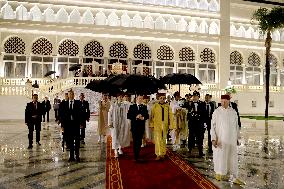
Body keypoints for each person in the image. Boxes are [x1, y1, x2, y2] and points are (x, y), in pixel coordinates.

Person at [211, 95, 245, 185]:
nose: (224, 103)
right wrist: (213, 139)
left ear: (229, 101)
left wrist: (237, 138)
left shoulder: (233, 112)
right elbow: (212, 126)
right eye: (222, 101)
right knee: (220, 157)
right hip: (221, 140)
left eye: (225, 101)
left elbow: (236, 126)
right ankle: (218, 172)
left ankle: (234, 177)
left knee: (232, 159)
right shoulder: (216, 112)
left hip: (231, 140)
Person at [150, 92, 175, 160]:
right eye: (161, 98)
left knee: (164, 139)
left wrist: (171, 125)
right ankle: (158, 153)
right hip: (157, 124)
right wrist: (151, 125)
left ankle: (163, 153)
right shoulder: (155, 106)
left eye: (163, 98)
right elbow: (152, 116)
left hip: (165, 125)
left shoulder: (167, 106)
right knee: (158, 139)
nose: (162, 99)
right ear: (158, 98)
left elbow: (170, 116)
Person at [59, 90, 82, 162]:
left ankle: (77, 156)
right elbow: (62, 116)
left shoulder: (78, 103)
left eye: (72, 94)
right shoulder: (64, 104)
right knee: (70, 141)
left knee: (77, 141)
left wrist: (81, 123)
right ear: (68, 95)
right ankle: (71, 156)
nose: (71, 96)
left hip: (76, 125)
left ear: (74, 95)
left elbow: (81, 114)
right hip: (68, 125)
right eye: (69, 94)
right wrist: (62, 126)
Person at [127, 95, 149, 162]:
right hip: (134, 127)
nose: (140, 100)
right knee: (135, 141)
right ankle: (135, 155)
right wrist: (136, 116)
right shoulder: (132, 106)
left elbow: (147, 116)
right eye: (139, 98)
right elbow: (128, 116)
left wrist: (143, 118)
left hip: (141, 127)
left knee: (139, 142)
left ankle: (138, 154)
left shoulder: (144, 107)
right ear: (136, 99)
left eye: (141, 99)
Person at [108, 93, 131, 158]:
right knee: (115, 136)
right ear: (117, 97)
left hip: (123, 122)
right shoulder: (113, 105)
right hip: (115, 122)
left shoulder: (125, 105)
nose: (121, 98)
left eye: (122, 97)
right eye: (119, 97)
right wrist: (110, 123)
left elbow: (130, 110)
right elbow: (110, 114)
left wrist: (128, 122)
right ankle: (115, 150)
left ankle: (120, 148)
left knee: (122, 135)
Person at [186, 91, 206, 157]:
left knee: (200, 137)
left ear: (198, 97)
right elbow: (187, 113)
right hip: (192, 123)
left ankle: (200, 151)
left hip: (199, 123)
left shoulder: (202, 103)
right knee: (191, 136)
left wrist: (204, 123)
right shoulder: (189, 104)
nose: (194, 97)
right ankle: (190, 149)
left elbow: (204, 114)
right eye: (194, 96)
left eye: (196, 96)